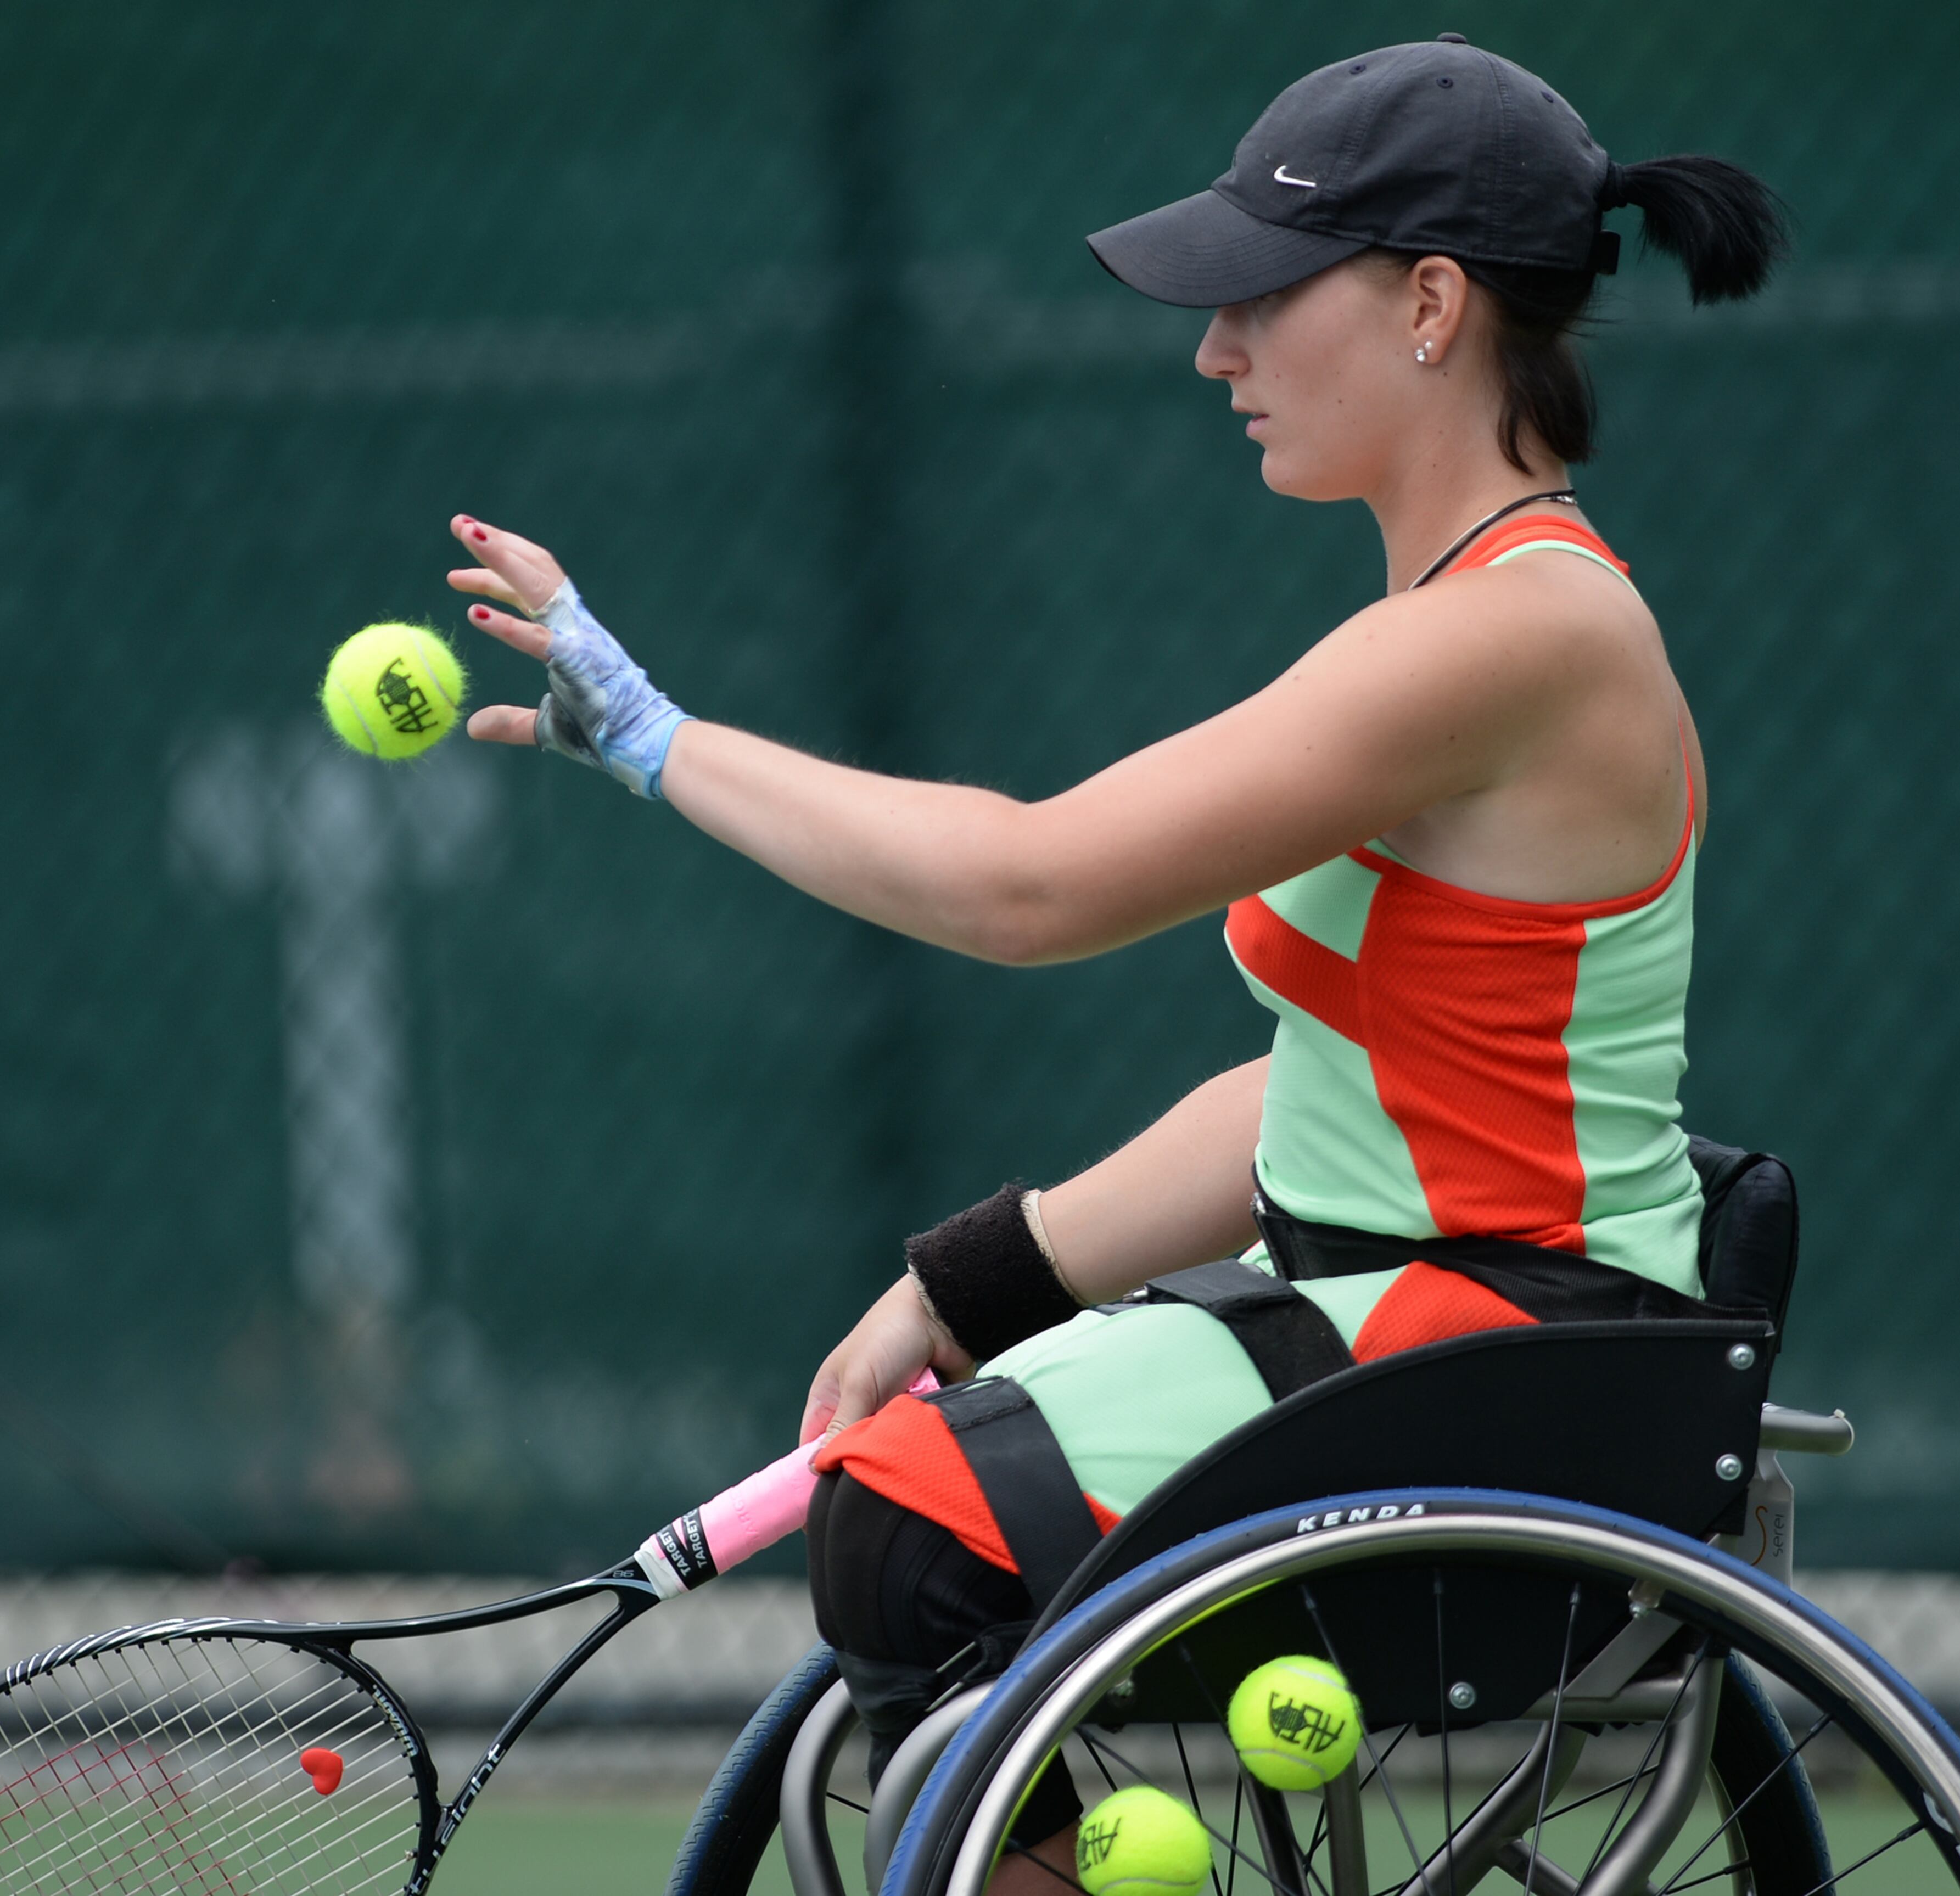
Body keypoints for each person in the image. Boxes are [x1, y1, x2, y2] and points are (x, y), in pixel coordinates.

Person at [443, 36, 1783, 1887]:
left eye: (1254, 297)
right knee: (908, 1536)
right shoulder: (1463, 613)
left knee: (910, 1534)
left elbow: (1025, 889)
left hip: (1506, 1360)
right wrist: (974, 1284)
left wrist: (662, 738)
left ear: (1428, 305)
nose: (1213, 351)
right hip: (1430, 1320)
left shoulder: (1514, 635)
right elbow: (1324, 1098)